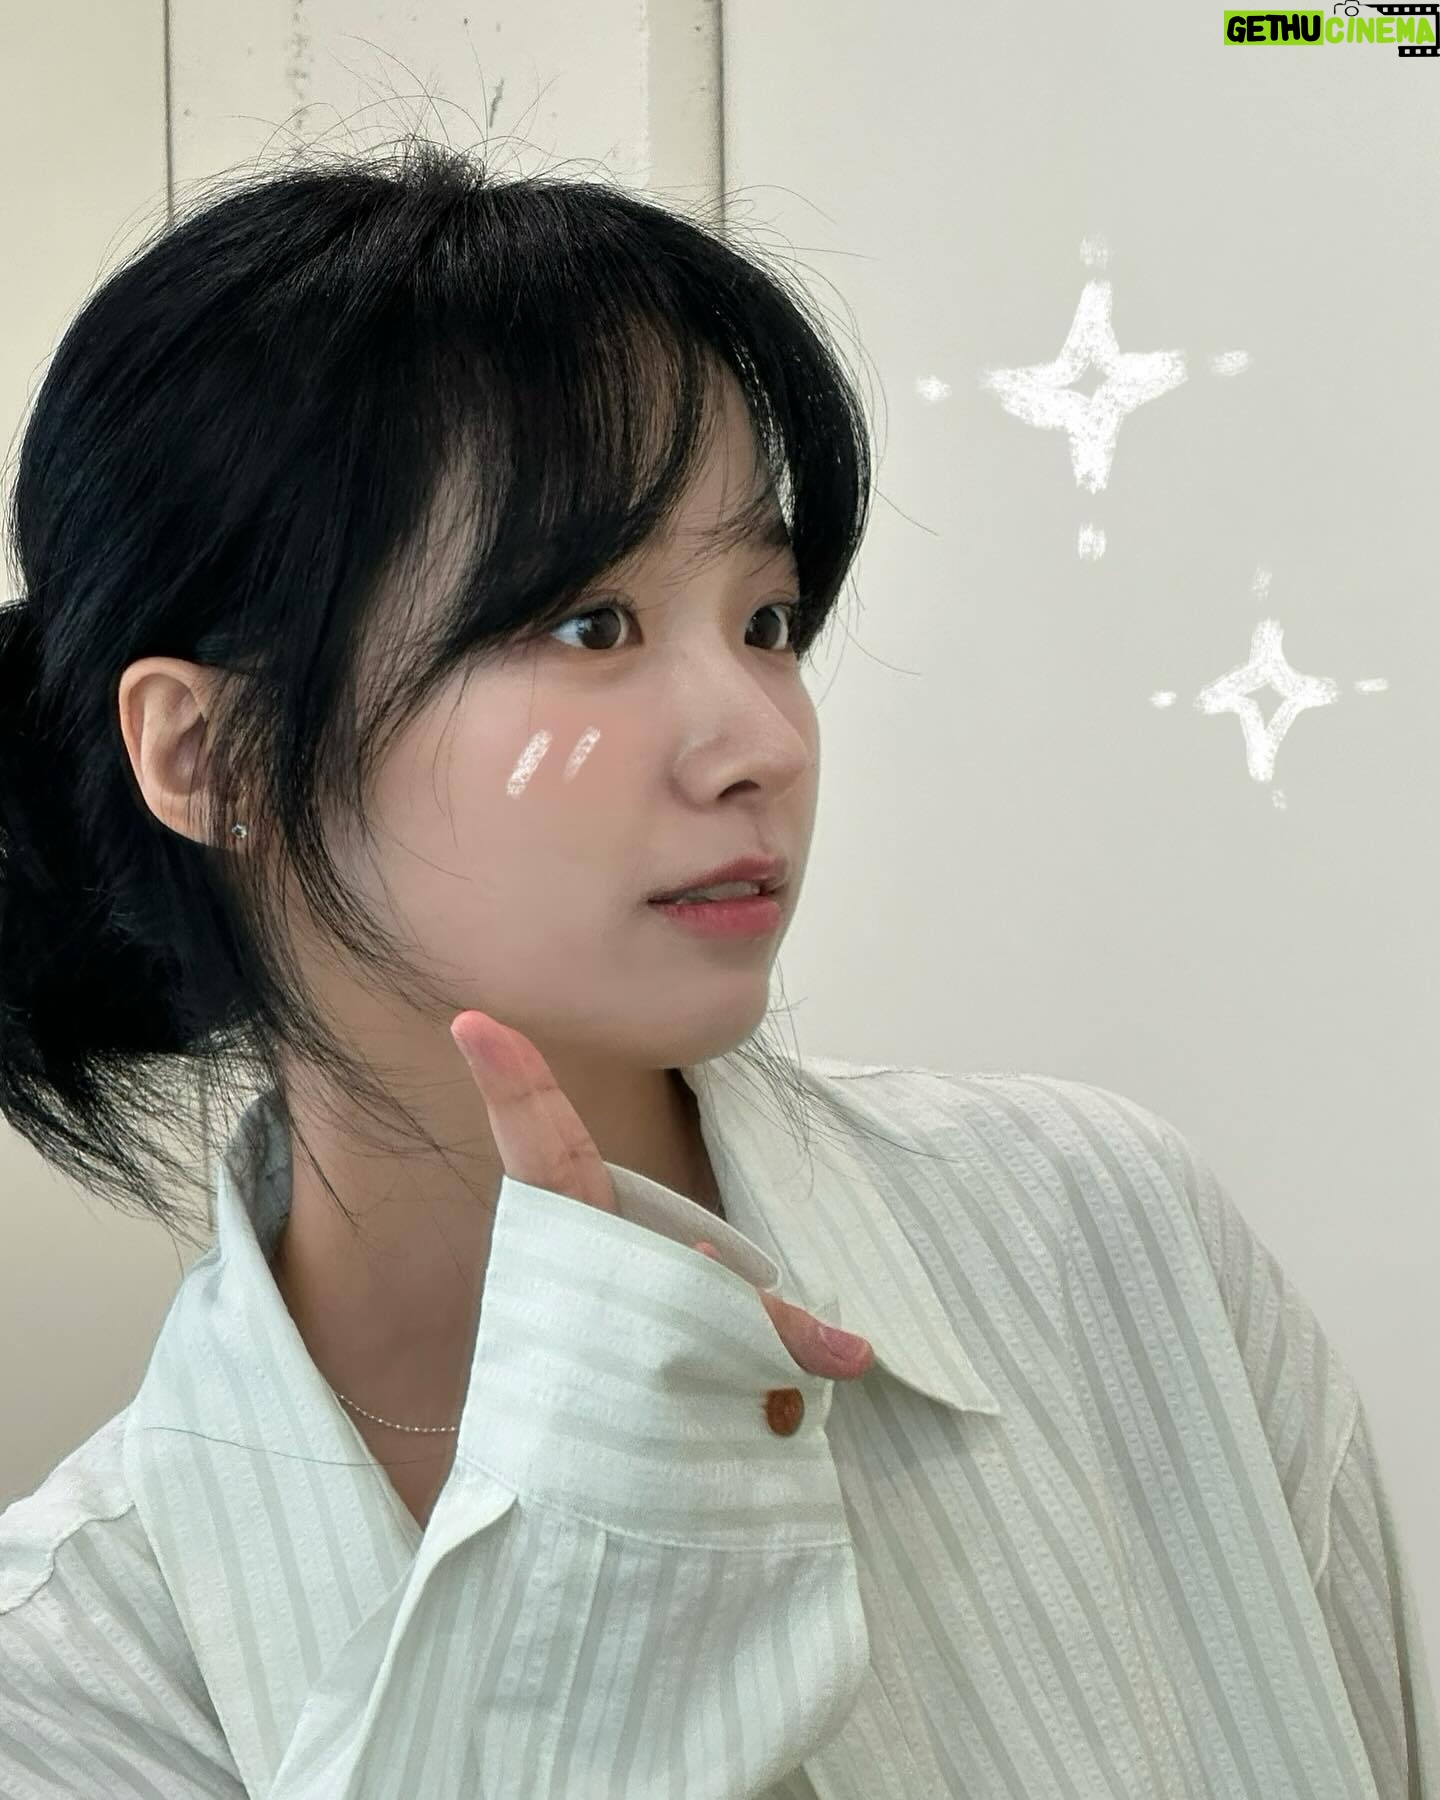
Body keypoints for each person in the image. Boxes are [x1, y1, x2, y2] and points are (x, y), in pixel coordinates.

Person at [0, 139, 1435, 1800]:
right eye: (592, 625)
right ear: (216, 757)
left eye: (766, 620)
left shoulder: (1108, 1230)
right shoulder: (72, 1666)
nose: (763, 737)